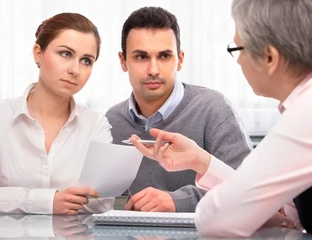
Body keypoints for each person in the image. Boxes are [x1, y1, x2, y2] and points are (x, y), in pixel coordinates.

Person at [129, 0, 312, 237]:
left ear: (269, 58)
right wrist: (202, 161)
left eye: (238, 49)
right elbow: (286, 217)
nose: (238, 61)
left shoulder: (304, 117)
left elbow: (216, 219)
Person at [106, 6, 252, 213]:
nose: (153, 70)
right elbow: (102, 197)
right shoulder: (111, 121)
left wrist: (177, 201)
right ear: (123, 61)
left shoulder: (215, 110)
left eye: (164, 56)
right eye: (141, 57)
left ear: (180, 60)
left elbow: (247, 190)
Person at [0, 12, 114, 214]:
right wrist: (46, 201)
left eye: (86, 61)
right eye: (65, 54)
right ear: (38, 53)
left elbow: (101, 202)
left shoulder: (96, 125)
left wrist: (10, 199)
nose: (75, 69)